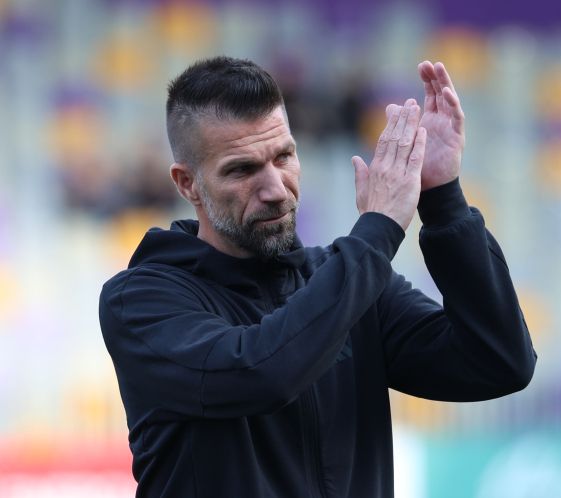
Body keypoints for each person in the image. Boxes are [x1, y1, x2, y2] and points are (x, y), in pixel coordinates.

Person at [99, 55, 537, 498]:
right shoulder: (141, 302)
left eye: (284, 156)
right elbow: (262, 373)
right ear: (187, 183)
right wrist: (378, 230)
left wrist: (443, 200)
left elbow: (499, 363)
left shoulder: (347, 280)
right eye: (242, 170)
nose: (275, 189)